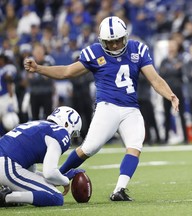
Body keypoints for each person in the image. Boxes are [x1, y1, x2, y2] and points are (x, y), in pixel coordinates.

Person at [24, 16, 179, 201]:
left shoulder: (138, 49)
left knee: (135, 146)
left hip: (131, 108)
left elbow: (155, 79)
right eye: (109, 42)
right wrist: (40, 69)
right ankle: (54, 177)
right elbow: (67, 71)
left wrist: (170, 95)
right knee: (89, 147)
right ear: (102, 41)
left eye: (117, 41)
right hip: (108, 107)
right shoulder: (95, 52)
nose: (114, 46)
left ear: (125, 37)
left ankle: (119, 190)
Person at [0, 106, 83, 207]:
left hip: (7, 162)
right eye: (73, 133)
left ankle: (10, 197)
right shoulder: (60, 132)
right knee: (56, 197)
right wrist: (65, 181)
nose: (70, 137)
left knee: (33, 175)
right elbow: (49, 173)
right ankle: (6, 197)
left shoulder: (39, 124)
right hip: (6, 164)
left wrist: (60, 177)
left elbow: (30, 173)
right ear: (67, 124)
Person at [159, 39, 187, 144]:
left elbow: (182, 72)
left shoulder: (181, 59)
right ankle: (166, 138)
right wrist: (174, 69)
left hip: (178, 89)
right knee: (166, 114)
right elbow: (161, 74)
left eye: (173, 45)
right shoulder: (164, 60)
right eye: (169, 45)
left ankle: (186, 138)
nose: (171, 47)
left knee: (182, 114)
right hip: (167, 91)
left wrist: (171, 70)